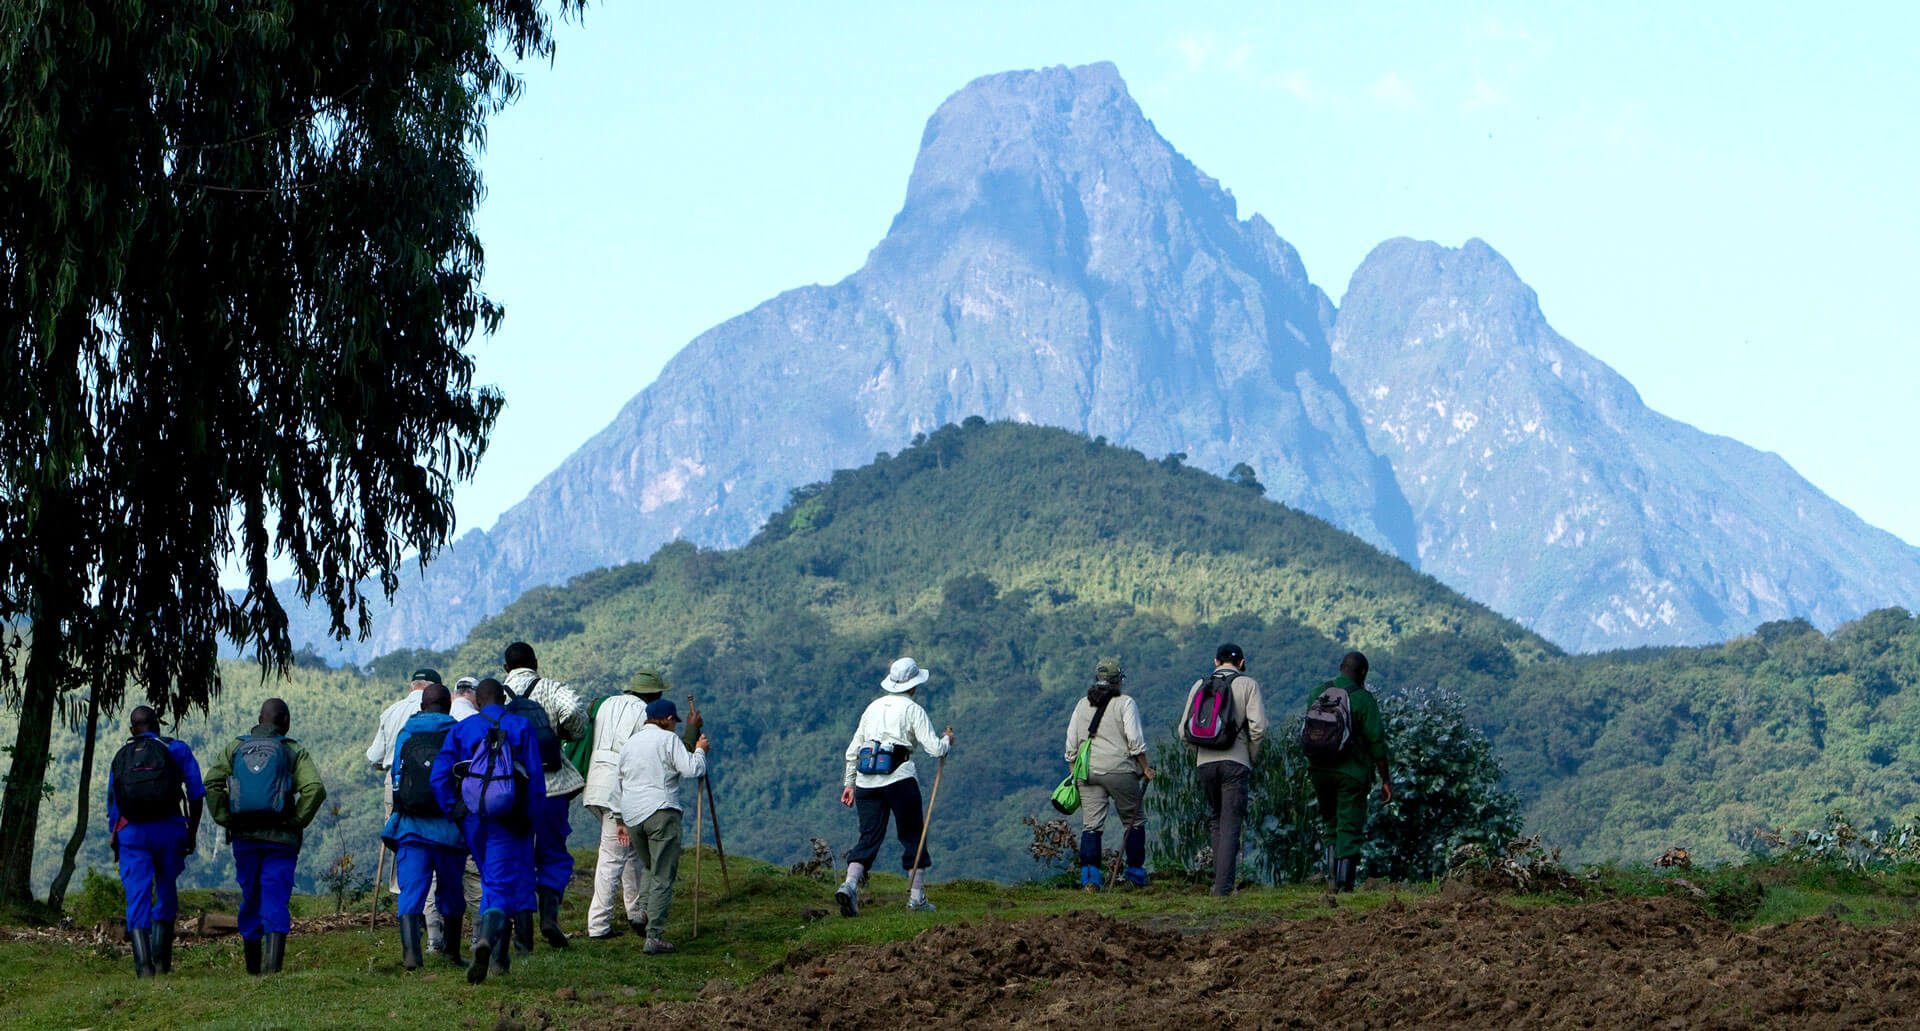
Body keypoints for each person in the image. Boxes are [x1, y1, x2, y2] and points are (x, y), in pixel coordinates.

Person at [433, 676, 545, 984]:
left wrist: (453, 810)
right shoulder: (521, 727)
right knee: (504, 885)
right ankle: (488, 944)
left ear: (478, 702)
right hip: (512, 819)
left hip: (474, 818)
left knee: (492, 879)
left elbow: (439, 775)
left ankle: (499, 959)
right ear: (503, 700)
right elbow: (535, 779)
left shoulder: (463, 729)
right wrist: (533, 819)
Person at [206, 698, 328, 975]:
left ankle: (252, 970)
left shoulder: (236, 747)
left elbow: (212, 782)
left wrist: (227, 818)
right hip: (281, 840)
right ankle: (272, 970)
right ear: (284, 720)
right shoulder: (293, 750)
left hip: (244, 837)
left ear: (259, 719)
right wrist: (296, 820)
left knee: (250, 896)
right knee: (275, 896)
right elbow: (315, 789)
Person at [579, 670, 695, 940]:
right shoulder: (645, 713)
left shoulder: (606, 703)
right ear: (654, 695)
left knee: (628, 850)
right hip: (620, 790)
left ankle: (635, 912)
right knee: (612, 857)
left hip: (594, 783)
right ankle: (598, 925)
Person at [836, 656, 954, 916]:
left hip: (866, 783)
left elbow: (853, 750)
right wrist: (947, 741)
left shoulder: (872, 708)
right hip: (900, 780)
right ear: (914, 685)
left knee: (868, 837)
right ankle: (916, 899)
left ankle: (849, 885)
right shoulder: (913, 709)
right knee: (912, 836)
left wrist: (849, 784)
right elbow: (934, 749)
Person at [106, 705, 204, 977]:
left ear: (132, 729)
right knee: (166, 887)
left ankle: (143, 968)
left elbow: (113, 806)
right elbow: (196, 794)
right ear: (158, 725)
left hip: (132, 834)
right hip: (169, 830)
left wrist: (116, 839)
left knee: (137, 896)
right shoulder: (177, 749)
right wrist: (191, 832)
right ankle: (163, 962)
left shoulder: (121, 757)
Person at [501, 641, 587, 951]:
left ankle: (523, 937)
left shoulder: (496, 694)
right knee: (553, 854)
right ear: (535, 662)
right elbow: (576, 709)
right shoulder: (550, 688)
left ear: (505, 669)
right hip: (551, 786)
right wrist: (567, 734)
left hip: (512, 793)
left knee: (519, 858)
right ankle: (549, 918)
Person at [382, 683, 467, 969]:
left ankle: (411, 955)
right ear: (448, 706)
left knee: (412, 891)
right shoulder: (457, 732)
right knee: (452, 891)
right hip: (449, 830)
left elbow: (397, 778)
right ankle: (452, 953)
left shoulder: (407, 732)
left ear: (422, 706)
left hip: (411, 827)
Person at [615, 698, 710, 954]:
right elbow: (692, 769)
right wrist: (700, 749)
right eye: (673, 722)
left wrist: (620, 820)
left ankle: (641, 913)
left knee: (649, 865)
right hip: (661, 811)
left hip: (633, 815)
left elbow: (619, 783)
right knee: (663, 875)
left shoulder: (630, 743)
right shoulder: (668, 740)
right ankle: (654, 935)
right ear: (667, 719)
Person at [1178, 643, 1267, 896]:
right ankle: (1223, 889)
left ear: (1215, 661)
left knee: (1216, 820)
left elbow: (1182, 732)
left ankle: (1219, 883)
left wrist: (1199, 753)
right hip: (1235, 762)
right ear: (1242, 663)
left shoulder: (1199, 685)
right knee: (1230, 824)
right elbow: (1258, 728)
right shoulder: (1248, 684)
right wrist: (1250, 756)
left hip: (1204, 763)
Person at [1062, 658, 1153, 890]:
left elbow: (1071, 744)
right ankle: (1134, 875)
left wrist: (1074, 772)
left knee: (1091, 826)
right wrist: (1145, 767)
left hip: (1087, 772)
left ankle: (1090, 880)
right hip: (1119, 769)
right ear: (1117, 681)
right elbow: (1135, 741)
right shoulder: (1126, 703)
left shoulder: (1082, 704)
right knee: (1135, 821)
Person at [1307, 651, 1391, 892]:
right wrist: (1385, 779)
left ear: (1341, 667)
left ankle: (1331, 879)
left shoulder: (1318, 692)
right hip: (1351, 773)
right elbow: (1376, 742)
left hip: (1319, 770)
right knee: (1349, 826)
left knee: (1331, 823)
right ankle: (1345, 885)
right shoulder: (1363, 698)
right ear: (1362, 673)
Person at [366, 669, 438, 944]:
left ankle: (408, 907)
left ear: (413, 686)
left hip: (394, 783)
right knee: (432, 842)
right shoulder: (441, 710)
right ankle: (429, 910)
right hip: (432, 782)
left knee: (402, 844)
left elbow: (374, 757)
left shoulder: (391, 711)